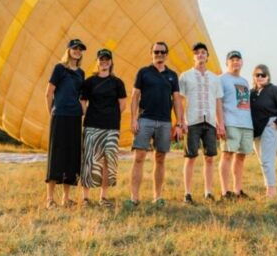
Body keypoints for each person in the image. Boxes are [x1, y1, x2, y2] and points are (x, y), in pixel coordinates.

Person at [128, 41, 184, 207]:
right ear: (151, 53)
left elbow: (177, 100)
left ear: (166, 54)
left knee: (160, 158)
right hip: (145, 119)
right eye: (156, 52)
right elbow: (135, 96)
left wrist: (179, 123)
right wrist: (133, 119)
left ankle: (157, 196)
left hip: (165, 121)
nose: (159, 54)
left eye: (162, 52)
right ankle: (134, 197)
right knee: (139, 157)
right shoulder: (143, 72)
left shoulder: (172, 75)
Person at [178, 42, 225, 204]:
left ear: (207, 56)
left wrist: (221, 123)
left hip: (210, 121)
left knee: (210, 157)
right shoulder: (185, 76)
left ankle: (208, 191)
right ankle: (187, 193)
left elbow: (218, 101)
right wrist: (181, 121)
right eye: (197, 53)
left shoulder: (214, 78)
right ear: (193, 56)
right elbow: (180, 101)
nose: (200, 55)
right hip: (192, 121)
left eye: (203, 53)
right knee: (190, 157)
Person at [80, 49, 127, 208]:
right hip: (92, 125)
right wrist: (93, 114)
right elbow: (83, 103)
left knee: (108, 161)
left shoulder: (117, 83)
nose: (104, 62)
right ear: (97, 61)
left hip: (111, 128)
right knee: (89, 160)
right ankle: (85, 198)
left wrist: (110, 115)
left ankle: (103, 197)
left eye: (107, 59)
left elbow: (123, 105)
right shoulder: (89, 82)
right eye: (101, 59)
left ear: (111, 62)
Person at [45, 39, 86, 209]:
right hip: (60, 116)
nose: (77, 51)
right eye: (74, 48)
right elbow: (48, 93)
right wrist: (52, 113)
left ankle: (66, 198)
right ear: (68, 50)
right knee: (56, 155)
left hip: (74, 117)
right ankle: (49, 199)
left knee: (71, 156)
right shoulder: (59, 68)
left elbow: (82, 97)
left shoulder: (81, 73)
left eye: (80, 49)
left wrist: (82, 113)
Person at [219, 50, 254, 200]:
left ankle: (238, 191)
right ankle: (225, 192)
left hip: (246, 123)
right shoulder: (221, 79)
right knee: (227, 155)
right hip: (230, 122)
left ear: (242, 63)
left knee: (241, 157)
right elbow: (218, 102)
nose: (235, 62)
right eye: (232, 59)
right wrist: (220, 123)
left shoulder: (245, 82)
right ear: (227, 62)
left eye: (238, 59)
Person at [250, 64, 277, 199]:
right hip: (256, 131)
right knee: (262, 161)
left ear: (268, 76)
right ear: (253, 77)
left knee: (267, 160)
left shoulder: (274, 90)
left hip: (270, 127)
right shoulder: (252, 93)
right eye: (257, 75)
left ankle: (271, 191)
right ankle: (268, 187)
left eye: (263, 75)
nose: (260, 77)